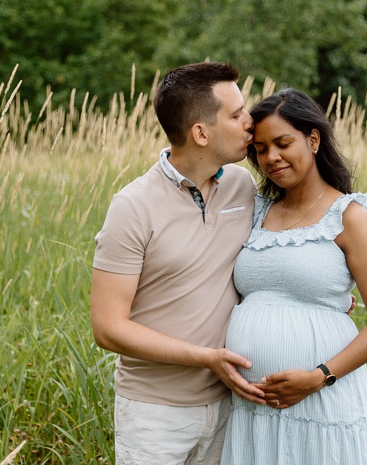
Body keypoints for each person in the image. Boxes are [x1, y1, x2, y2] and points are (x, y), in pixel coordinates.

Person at [90, 62, 267, 465]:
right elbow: (108, 328)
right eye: (236, 114)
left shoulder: (242, 186)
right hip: (154, 415)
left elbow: (271, 254)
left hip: (229, 406)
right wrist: (206, 357)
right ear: (200, 133)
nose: (249, 121)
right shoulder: (132, 207)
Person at [221, 88, 367, 464]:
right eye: (261, 148)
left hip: (324, 402)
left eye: (283, 143)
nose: (271, 157)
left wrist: (319, 376)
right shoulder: (254, 212)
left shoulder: (350, 216)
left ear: (313, 139)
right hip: (254, 411)